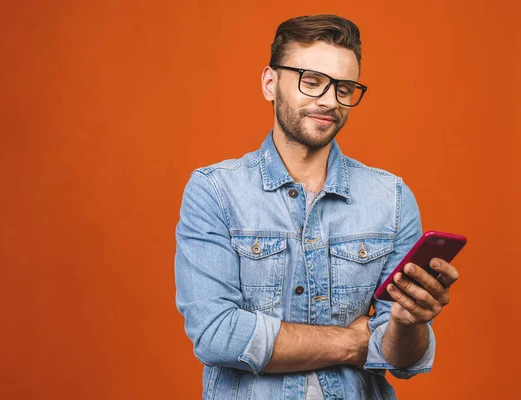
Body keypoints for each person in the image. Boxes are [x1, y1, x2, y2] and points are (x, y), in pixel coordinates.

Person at [174, 14, 459, 399]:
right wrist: (353, 344)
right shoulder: (214, 191)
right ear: (270, 83)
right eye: (312, 81)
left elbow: (399, 361)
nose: (329, 101)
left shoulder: (391, 198)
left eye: (344, 87)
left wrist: (408, 324)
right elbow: (216, 334)